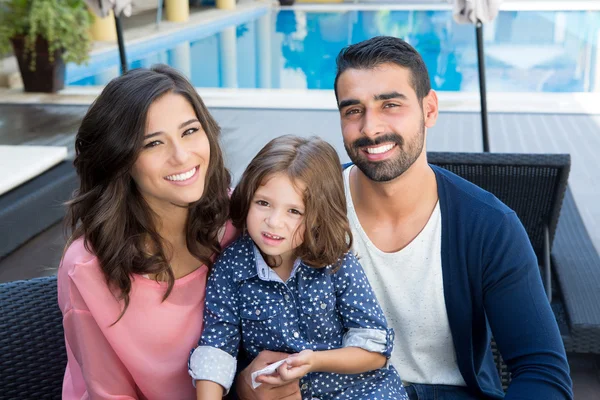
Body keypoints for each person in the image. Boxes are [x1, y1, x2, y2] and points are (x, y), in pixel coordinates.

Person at [235, 37, 573, 400]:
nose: (370, 128)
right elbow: (240, 325)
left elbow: (542, 371)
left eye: (390, 105)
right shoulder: (303, 209)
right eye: (353, 111)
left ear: (429, 109)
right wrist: (245, 386)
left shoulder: (488, 227)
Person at [58, 65, 237, 399]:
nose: (182, 156)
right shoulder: (87, 269)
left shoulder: (238, 223)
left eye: (189, 131)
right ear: (122, 159)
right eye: (153, 143)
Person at [189, 135, 408, 400]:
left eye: (294, 211)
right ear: (247, 198)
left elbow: (374, 351)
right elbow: (217, 349)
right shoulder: (231, 266)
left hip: (363, 392)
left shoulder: (337, 262)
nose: (273, 222)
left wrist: (314, 361)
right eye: (263, 203)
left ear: (319, 215)